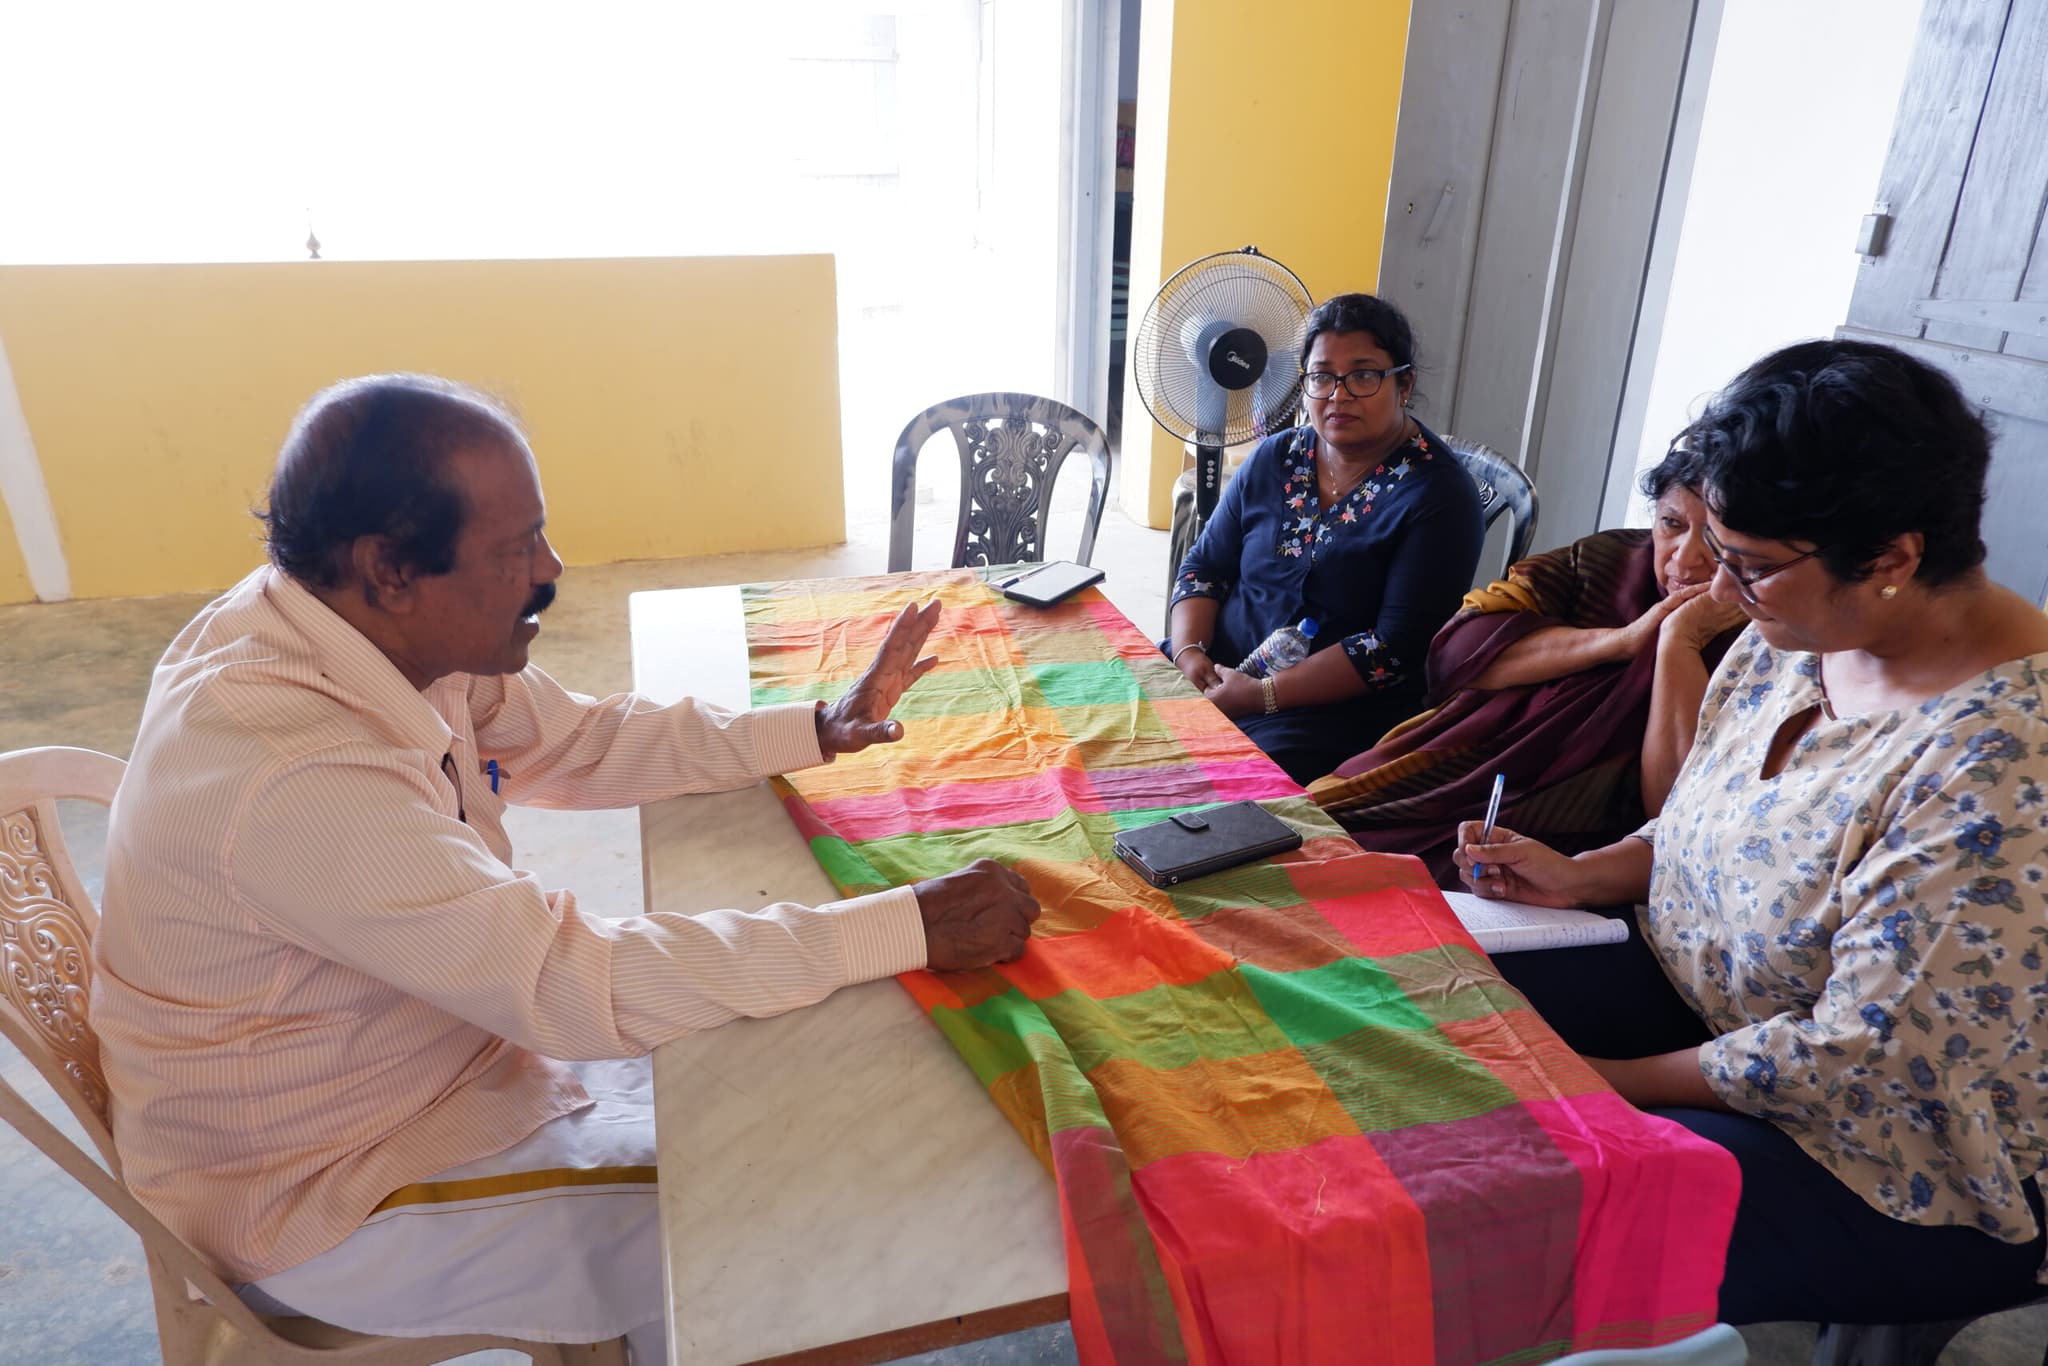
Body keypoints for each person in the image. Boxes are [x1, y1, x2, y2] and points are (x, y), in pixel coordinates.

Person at [92, 374, 1041, 1361]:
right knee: (747, 1207)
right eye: (516, 549)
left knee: (786, 1060)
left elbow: (579, 740)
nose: (551, 568)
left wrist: (812, 726)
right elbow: (569, 987)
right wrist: (910, 924)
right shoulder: (286, 763)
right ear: (389, 569)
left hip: (441, 1049)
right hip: (324, 1184)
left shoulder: (357, 629)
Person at [1453, 339, 2048, 1332]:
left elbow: (1855, 1058)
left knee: (1510, 1205)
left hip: (1889, 1159)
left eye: (1748, 564)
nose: (1716, 586)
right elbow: (1713, 821)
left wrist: (1601, 1087)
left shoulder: (1998, 766)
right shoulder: (1806, 633)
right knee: (1414, 1001)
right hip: (1705, 1010)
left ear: (1893, 557)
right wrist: (1582, 875)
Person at [1309, 447, 1747, 884]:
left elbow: (1675, 815)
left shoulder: (1761, 639)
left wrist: (1677, 642)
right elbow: (1460, 652)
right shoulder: (1606, 563)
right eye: (1671, 524)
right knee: (1304, 836)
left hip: (1571, 840)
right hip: (1442, 778)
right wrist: (1622, 641)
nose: (1685, 560)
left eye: (1715, 537)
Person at [1167, 292, 1485, 785]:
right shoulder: (1277, 456)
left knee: (1226, 785)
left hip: (1325, 713)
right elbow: (1204, 568)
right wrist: (1190, 657)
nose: (1338, 395)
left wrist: (1259, 696)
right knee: (1116, 718)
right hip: (1216, 668)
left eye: (1363, 375)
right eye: (1321, 377)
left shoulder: (1438, 496)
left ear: (1404, 384)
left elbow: (1391, 649)